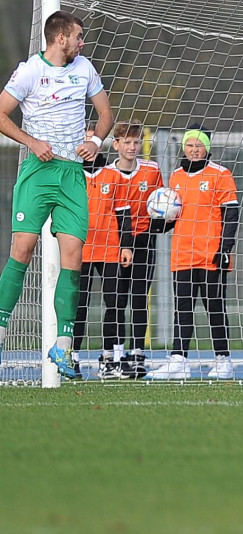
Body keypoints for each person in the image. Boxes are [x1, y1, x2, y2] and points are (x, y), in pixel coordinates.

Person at [0, 11, 113, 379]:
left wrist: (95, 140)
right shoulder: (31, 70)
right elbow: (1, 113)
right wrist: (31, 142)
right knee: (23, 248)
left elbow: (106, 114)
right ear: (60, 37)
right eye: (78, 36)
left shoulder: (85, 68)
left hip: (71, 175)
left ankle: (63, 347)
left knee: (74, 256)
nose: (82, 42)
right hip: (37, 171)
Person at [149, 126, 239, 380]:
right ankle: (179, 360)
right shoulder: (176, 177)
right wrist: (159, 221)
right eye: (190, 145)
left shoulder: (220, 175)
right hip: (183, 253)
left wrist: (225, 248)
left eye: (199, 145)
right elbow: (174, 214)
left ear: (207, 148)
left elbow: (231, 214)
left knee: (215, 308)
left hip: (211, 254)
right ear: (184, 148)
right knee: (183, 308)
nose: (194, 149)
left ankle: (223, 360)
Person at [72, 125, 133, 380]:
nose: (88, 146)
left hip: (109, 249)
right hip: (79, 249)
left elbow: (124, 214)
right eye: (83, 141)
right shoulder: (71, 174)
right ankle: (71, 357)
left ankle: (112, 359)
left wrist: (126, 245)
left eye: (91, 141)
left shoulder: (113, 175)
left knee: (115, 303)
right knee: (79, 305)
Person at [111, 121, 166, 379]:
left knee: (139, 299)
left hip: (143, 241)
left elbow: (162, 204)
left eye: (136, 142)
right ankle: (116, 355)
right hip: (115, 243)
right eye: (128, 142)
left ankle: (138, 354)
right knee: (117, 300)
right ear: (116, 145)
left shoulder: (152, 170)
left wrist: (165, 220)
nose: (133, 147)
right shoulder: (107, 173)